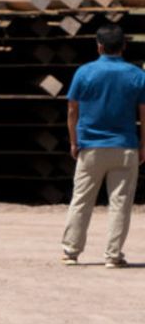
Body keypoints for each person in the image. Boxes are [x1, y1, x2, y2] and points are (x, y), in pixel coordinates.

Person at [61, 23, 145, 268]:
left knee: (82, 200)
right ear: (124, 46)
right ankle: (113, 255)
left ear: (98, 46)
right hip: (125, 147)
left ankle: (71, 251)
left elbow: (71, 109)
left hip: (91, 147)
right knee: (120, 204)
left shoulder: (84, 73)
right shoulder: (137, 75)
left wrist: (74, 141)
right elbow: (144, 114)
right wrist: (143, 145)